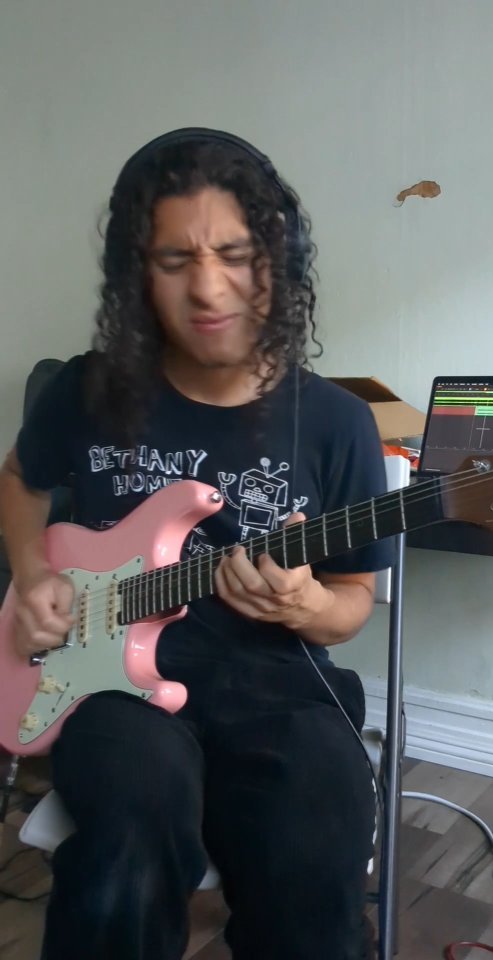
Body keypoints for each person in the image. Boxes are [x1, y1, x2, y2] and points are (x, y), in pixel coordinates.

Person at [0, 128, 394, 960]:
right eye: (175, 260)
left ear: (277, 260)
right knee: (127, 840)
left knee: (317, 844)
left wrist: (307, 603)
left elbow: (352, 602)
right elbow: (19, 480)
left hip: (280, 685)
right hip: (113, 690)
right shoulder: (85, 390)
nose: (209, 289)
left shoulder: (338, 423)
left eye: (235, 255)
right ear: (137, 274)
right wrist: (33, 573)